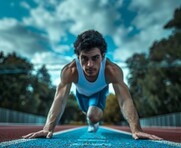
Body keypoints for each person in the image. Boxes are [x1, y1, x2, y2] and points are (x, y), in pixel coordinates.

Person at [23, 30, 162, 140]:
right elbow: (60, 98)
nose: (90, 65)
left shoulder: (111, 71)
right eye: (84, 58)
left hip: (99, 92)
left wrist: (136, 129)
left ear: (102, 56)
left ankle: (93, 121)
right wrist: (48, 128)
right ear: (78, 57)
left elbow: (125, 100)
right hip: (81, 94)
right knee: (87, 113)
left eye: (95, 58)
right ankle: (90, 119)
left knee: (93, 115)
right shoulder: (70, 71)